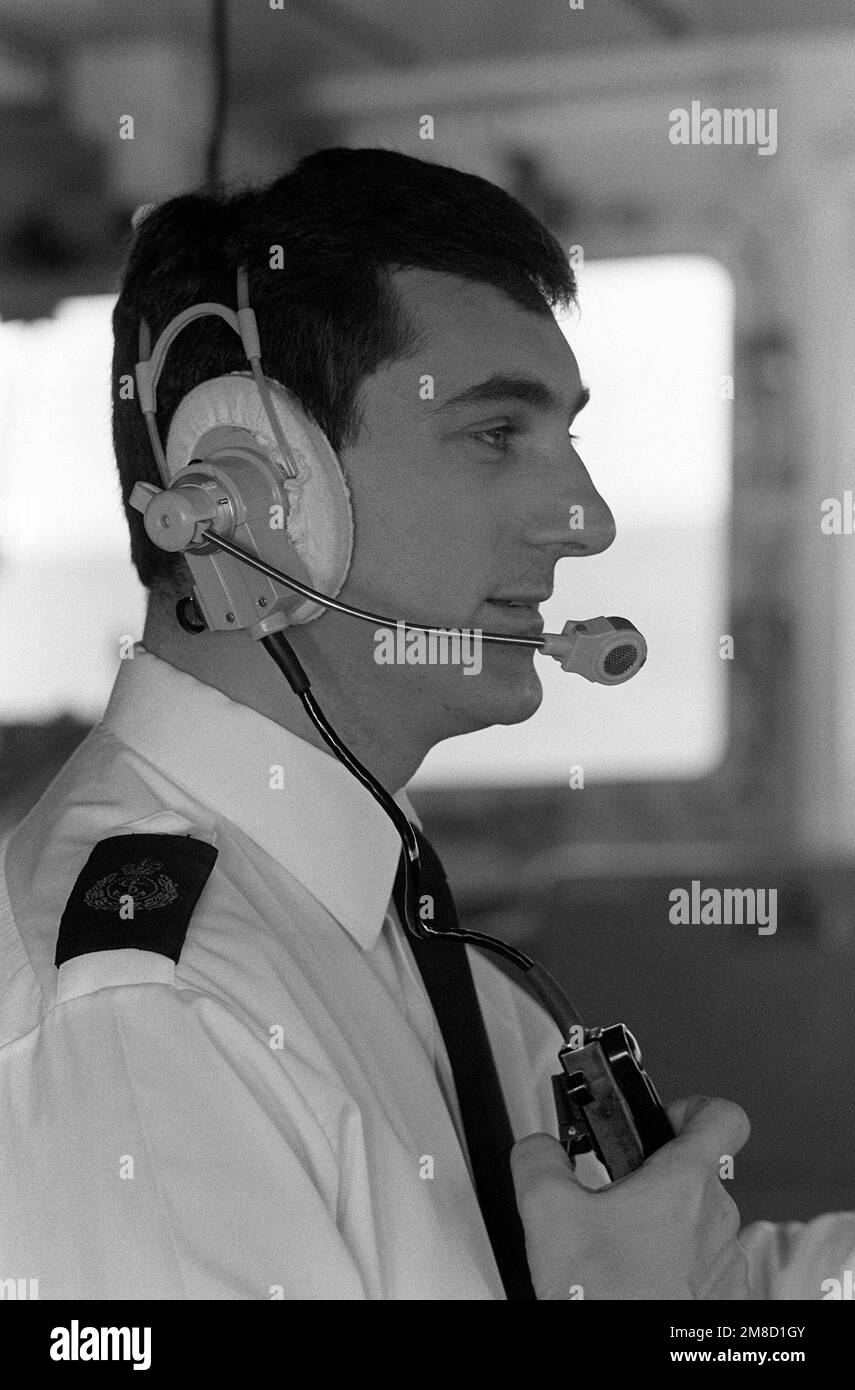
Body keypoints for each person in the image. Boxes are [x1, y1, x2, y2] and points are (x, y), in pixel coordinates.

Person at [1, 147, 852, 1300]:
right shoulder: (152, 1013)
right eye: (498, 433)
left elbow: (696, 1291)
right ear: (254, 490)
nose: (588, 520)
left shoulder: (392, 925)